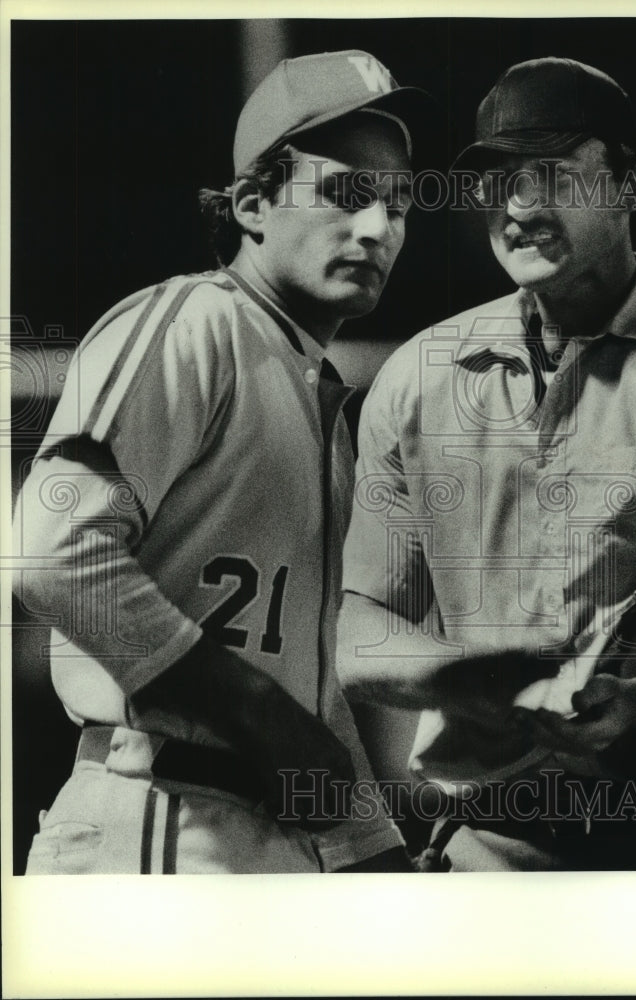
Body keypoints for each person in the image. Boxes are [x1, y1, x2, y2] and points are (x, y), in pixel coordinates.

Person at [337, 57, 636, 871]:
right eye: (499, 180)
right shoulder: (418, 376)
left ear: (633, 183)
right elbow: (358, 631)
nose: (518, 206)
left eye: (552, 174)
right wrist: (474, 679)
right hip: (491, 848)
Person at [13, 49, 433, 874]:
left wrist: (374, 856)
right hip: (154, 809)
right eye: (346, 193)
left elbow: (313, 704)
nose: (378, 229)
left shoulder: (321, 404)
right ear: (251, 203)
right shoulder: (195, 320)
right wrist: (257, 713)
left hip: (268, 840)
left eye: (398, 204)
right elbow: (51, 552)